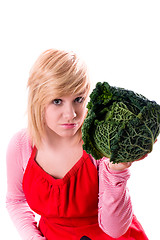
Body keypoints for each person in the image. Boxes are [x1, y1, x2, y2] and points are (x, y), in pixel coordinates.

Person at [6, 49, 149, 240]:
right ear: (38, 101)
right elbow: (15, 201)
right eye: (57, 101)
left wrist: (117, 172)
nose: (71, 114)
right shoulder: (21, 145)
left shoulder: (100, 145)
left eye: (78, 100)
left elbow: (115, 229)